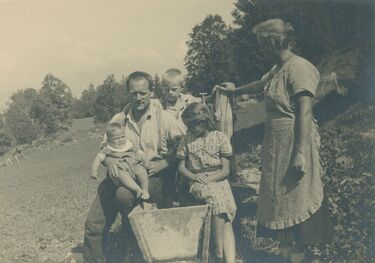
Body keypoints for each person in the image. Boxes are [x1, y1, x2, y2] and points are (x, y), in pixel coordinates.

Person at [218, 19, 331, 263]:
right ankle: (287, 254)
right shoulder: (278, 68)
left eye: (260, 42)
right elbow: (262, 84)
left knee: (297, 196)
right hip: (276, 144)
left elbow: (305, 111)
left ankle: (300, 256)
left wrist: (300, 153)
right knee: (279, 200)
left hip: (295, 140)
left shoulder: (299, 67)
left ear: (271, 41)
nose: (259, 48)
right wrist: (236, 90)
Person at [83, 71, 185, 263]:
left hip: (151, 177)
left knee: (124, 196)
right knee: (94, 224)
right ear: (128, 94)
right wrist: (110, 162)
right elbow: (104, 149)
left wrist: (165, 162)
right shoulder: (119, 119)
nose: (138, 98)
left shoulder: (163, 118)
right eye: (133, 93)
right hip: (117, 176)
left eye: (143, 93)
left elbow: (185, 143)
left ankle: (134, 251)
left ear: (151, 92)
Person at [177, 102, 236, 263]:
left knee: (225, 210)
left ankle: (227, 259)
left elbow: (225, 170)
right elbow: (181, 167)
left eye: (191, 126)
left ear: (202, 122)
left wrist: (211, 179)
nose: (189, 129)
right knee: (217, 199)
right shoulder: (187, 139)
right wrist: (195, 177)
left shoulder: (219, 137)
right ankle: (218, 252)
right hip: (197, 181)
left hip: (219, 179)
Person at [90, 122, 150, 200]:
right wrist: (93, 171)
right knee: (121, 174)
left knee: (141, 170)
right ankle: (137, 189)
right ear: (109, 140)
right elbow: (98, 158)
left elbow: (140, 153)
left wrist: (146, 160)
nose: (120, 140)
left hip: (134, 165)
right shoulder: (108, 149)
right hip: (122, 169)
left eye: (122, 136)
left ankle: (145, 189)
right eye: (116, 138)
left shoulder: (129, 145)